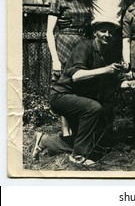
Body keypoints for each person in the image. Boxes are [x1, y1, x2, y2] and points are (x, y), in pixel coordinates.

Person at [32, 18, 123, 166]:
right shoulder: (85, 47)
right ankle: (78, 155)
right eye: (103, 31)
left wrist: (128, 84)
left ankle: (44, 141)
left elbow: (110, 83)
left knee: (90, 141)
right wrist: (106, 70)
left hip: (79, 99)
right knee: (94, 108)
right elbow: (76, 76)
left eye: (111, 32)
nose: (107, 35)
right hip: (61, 96)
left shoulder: (106, 54)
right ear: (95, 33)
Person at [46, 0, 95, 136]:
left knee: (81, 85)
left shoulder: (87, 0)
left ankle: (79, 129)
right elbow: (49, 32)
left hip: (83, 45)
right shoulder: (58, 1)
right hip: (65, 45)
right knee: (64, 86)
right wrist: (55, 59)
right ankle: (66, 133)